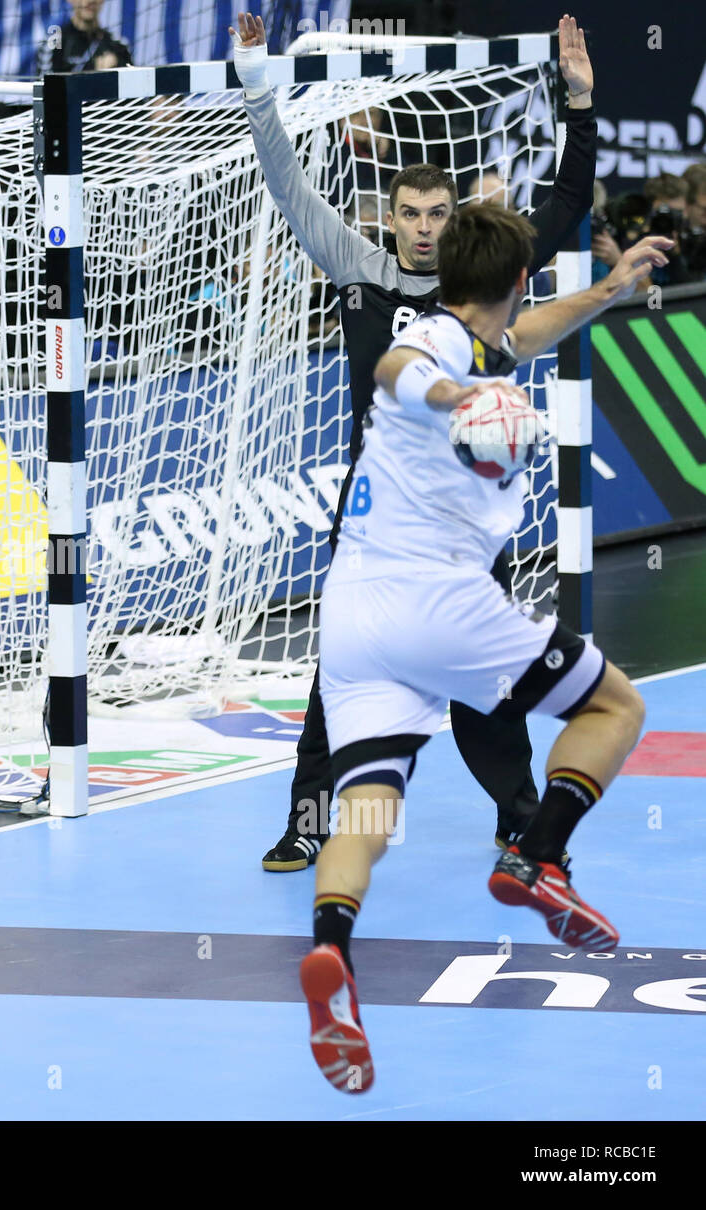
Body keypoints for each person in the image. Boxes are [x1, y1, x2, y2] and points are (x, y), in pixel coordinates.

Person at [298, 206, 666, 1092]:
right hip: (441, 602)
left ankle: (331, 957)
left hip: (350, 614)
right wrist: (452, 398)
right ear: (514, 278)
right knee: (617, 705)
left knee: (369, 810)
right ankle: (537, 855)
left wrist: (611, 290)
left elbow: (525, 332)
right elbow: (400, 369)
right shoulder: (438, 349)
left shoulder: (478, 337)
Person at [229, 12, 599, 873]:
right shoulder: (358, 267)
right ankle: (307, 821)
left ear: (453, 216)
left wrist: (579, 107)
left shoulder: (484, 278)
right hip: (374, 521)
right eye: (410, 213)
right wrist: (256, 86)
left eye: (438, 212)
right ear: (387, 216)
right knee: (338, 675)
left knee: (486, 683)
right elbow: (286, 185)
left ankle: (520, 819)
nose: (425, 227)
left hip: (468, 518)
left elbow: (569, 203)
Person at [39, 0, 132, 75]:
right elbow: (45, 91)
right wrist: (93, 69)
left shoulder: (118, 44)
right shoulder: (54, 43)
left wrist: (116, 69)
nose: (91, 1)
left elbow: (133, 93)